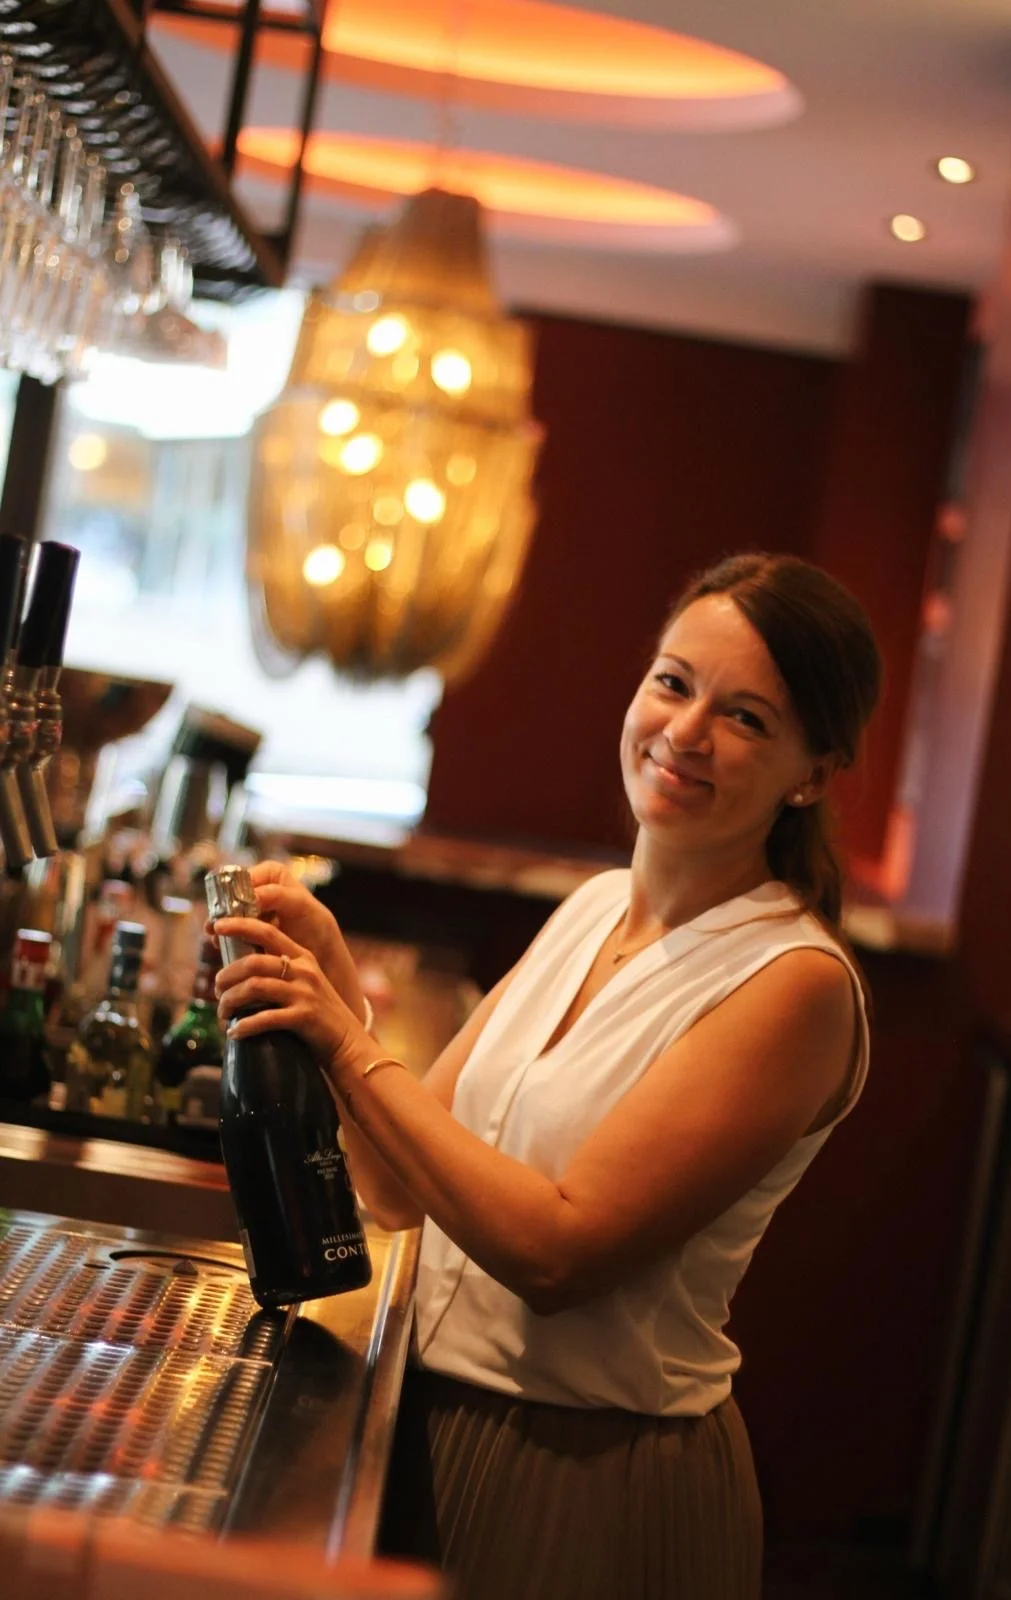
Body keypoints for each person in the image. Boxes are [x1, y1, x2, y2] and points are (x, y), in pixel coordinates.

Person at [213, 551, 883, 1600]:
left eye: (746, 716)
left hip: (590, 1473)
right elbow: (392, 1189)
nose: (686, 732)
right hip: (422, 1422)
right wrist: (332, 986)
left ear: (811, 771)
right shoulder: (589, 909)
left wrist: (348, 1041)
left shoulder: (793, 985)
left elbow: (558, 1253)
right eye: (673, 681)